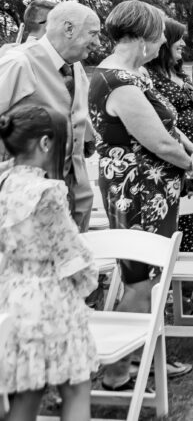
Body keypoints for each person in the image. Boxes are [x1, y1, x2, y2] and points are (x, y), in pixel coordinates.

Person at [89, 0, 193, 388]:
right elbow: (155, 139)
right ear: (143, 38)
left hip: (156, 188)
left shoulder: (133, 74)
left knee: (151, 277)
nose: (162, 44)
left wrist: (191, 147)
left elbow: (165, 121)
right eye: (159, 36)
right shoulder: (116, 81)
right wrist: (187, 161)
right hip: (138, 191)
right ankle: (119, 370)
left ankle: (145, 356)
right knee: (141, 277)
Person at [0, 105, 97, 421]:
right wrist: (87, 281)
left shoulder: (3, 183)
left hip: (11, 294)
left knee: (29, 391)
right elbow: (69, 252)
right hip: (50, 298)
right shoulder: (46, 192)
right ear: (45, 143)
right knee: (75, 386)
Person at [0, 1, 101, 232]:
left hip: (75, 196)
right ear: (68, 29)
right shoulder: (18, 63)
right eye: (93, 34)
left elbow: (77, 113)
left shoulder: (75, 67)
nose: (98, 43)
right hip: (28, 202)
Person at [147, 18, 193, 253]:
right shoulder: (150, 76)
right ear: (164, 42)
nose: (182, 44)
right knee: (182, 207)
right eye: (177, 39)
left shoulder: (178, 72)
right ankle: (181, 273)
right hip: (176, 147)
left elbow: (192, 104)